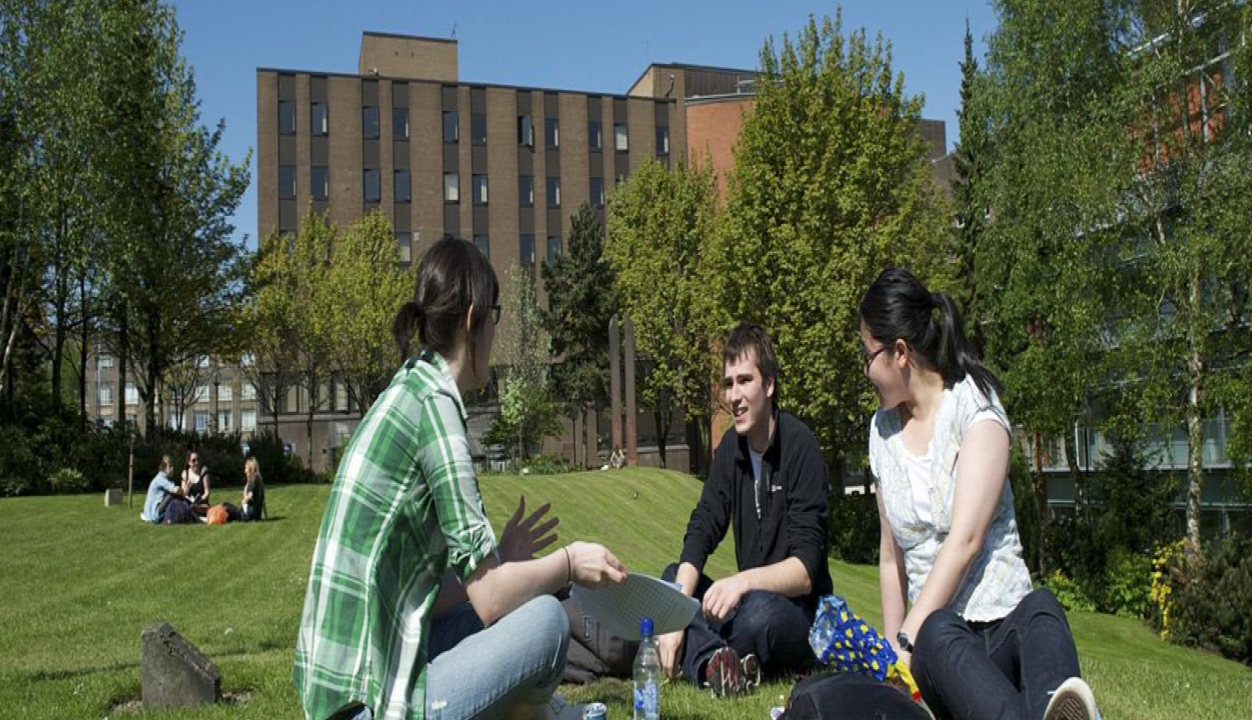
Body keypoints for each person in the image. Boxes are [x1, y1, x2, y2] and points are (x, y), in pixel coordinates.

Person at [294, 236, 628, 720]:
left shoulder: (409, 385)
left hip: (345, 693)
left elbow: (436, 597)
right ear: (474, 319)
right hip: (368, 704)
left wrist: (506, 558)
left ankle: (542, 714)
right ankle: (544, 716)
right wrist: (570, 562)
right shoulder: (437, 408)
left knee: (507, 606)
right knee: (547, 622)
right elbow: (491, 599)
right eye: (495, 314)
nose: (495, 329)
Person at [859, 267, 1098, 720]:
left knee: (1042, 611)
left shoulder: (976, 408)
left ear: (900, 353)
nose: (866, 370)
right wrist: (895, 656)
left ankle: (1050, 709)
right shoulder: (881, 431)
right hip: (943, 648)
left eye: (868, 357)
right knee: (937, 629)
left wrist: (905, 637)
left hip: (1003, 626)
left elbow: (965, 541)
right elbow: (891, 557)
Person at [658, 322, 833, 697]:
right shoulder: (730, 451)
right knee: (674, 577)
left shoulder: (800, 446)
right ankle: (715, 666)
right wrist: (674, 613)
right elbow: (702, 528)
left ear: (769, 385)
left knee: (757, 617)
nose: (734, 396)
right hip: (748, 602)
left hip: (797, 612)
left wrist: (740, 582)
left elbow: (805, 572)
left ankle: (712, 649)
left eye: (744, 381)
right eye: (728, 383)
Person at [142, 455, 187, 524]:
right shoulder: (160, 479)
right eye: (170, 466)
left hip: (152, 513)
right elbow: (175, 490)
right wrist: (184, 481)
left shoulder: (165, 479)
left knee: (175, 497)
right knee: (172, 495)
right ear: (163, 467)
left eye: (172, 466)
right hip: (153, 514)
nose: (172, 469)